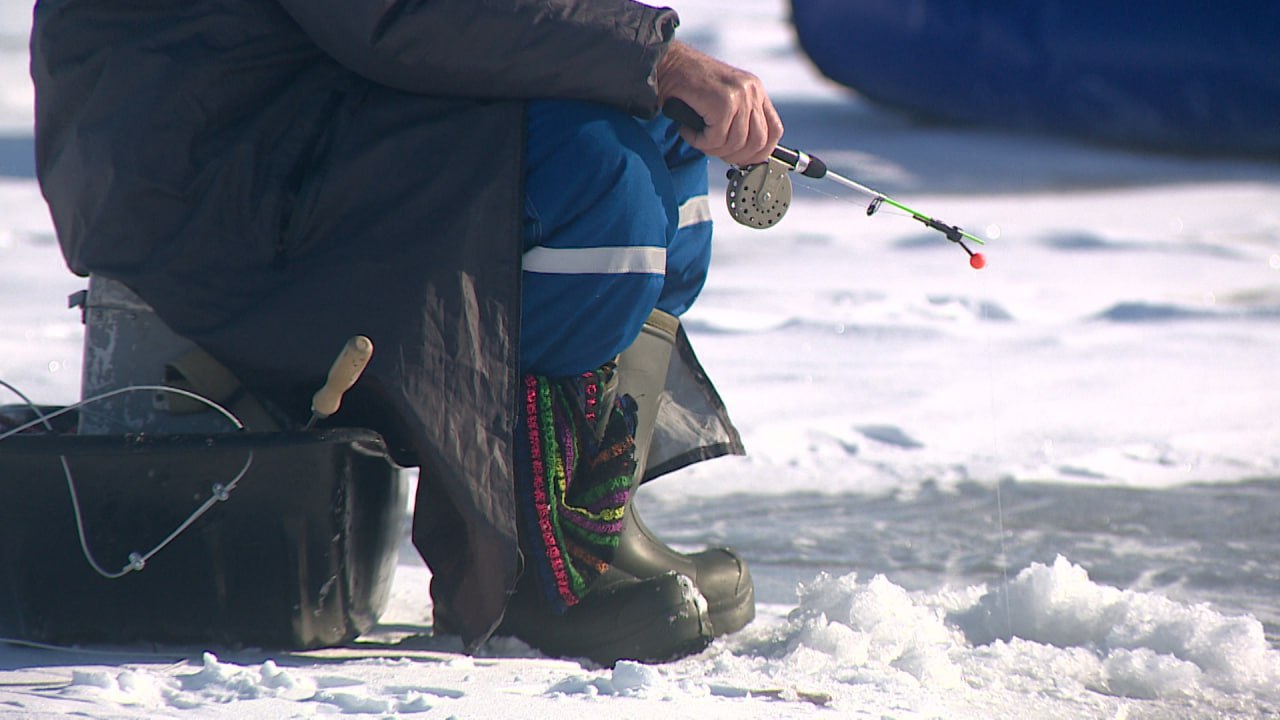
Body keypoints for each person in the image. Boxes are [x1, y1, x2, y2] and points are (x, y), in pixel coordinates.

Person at [31, 0, 783, 664]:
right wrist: (652, 55)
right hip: (214, 159)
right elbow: (393, 16)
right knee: (596, 171)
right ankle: (529, 570)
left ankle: (589, 527)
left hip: (315, 93)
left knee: (669, 137)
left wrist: (648, 66)